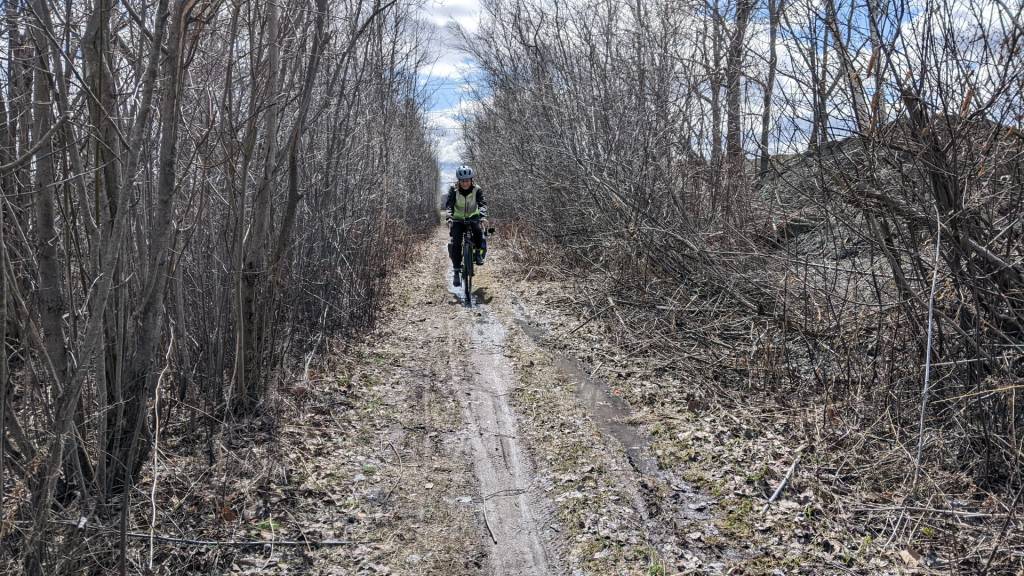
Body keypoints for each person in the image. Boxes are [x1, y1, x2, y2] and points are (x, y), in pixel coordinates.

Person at [445, 165, 488, 287]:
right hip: (458, 219)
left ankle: (478, 253)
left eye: (467, 180)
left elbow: (482, 204)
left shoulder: (477, 189)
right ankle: (457, 271)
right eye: (463, 181)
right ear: (459, 181)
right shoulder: (453, 190)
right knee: (456, 242)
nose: (465, 183)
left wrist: (483, 216)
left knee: (478, 231)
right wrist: (449, 218)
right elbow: (449, 205)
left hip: (473, 216)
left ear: (471, 180)